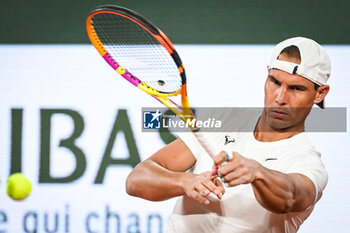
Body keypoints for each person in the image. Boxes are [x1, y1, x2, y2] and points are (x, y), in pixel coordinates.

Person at [125, 37, 331, 233]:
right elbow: (137, 179)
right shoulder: (225, 119)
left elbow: (291, 195)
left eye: (296, 88)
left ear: (320, 93)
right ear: (267, 74)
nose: (280, 97)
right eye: (275, 82)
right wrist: (185, 182)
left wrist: (257, 173)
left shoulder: (307, 161)